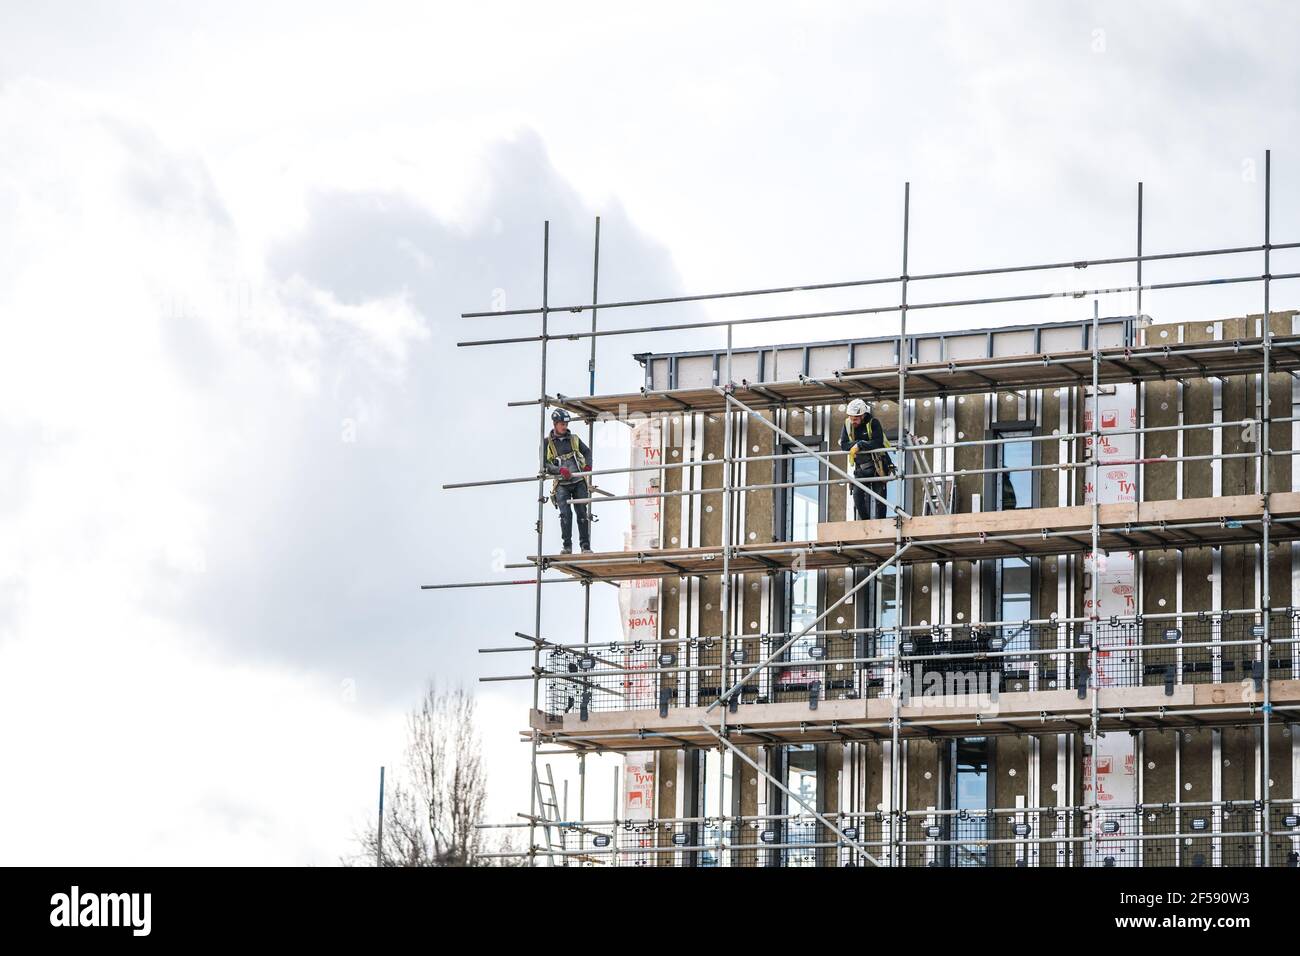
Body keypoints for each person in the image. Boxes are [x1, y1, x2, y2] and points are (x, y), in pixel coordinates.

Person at [543, 408, 593, 554]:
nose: (565, 427)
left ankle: (585, 546)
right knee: (565, 515)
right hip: (561, 485)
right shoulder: (547, 443)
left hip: (578, 482)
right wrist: (559, 471)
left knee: (582, 513)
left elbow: (587, 452)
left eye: (566, 424)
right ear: (555, 424)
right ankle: (567, 546)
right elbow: (544, 464)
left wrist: (588, 466)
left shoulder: (574, 439)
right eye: (562, 424)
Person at [839, 398, 895, 520]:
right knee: (857, 496)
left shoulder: (873, 423)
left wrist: (860, 445)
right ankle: (865, 522)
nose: (853, 421)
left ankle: (881, 522)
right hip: (861, 467)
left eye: (856, 418)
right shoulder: (848, 424)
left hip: (877, 465)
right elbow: (843, 445)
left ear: (863, 415)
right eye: (851, 418)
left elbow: (878, 442)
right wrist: (857, 444)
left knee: (880, 497)